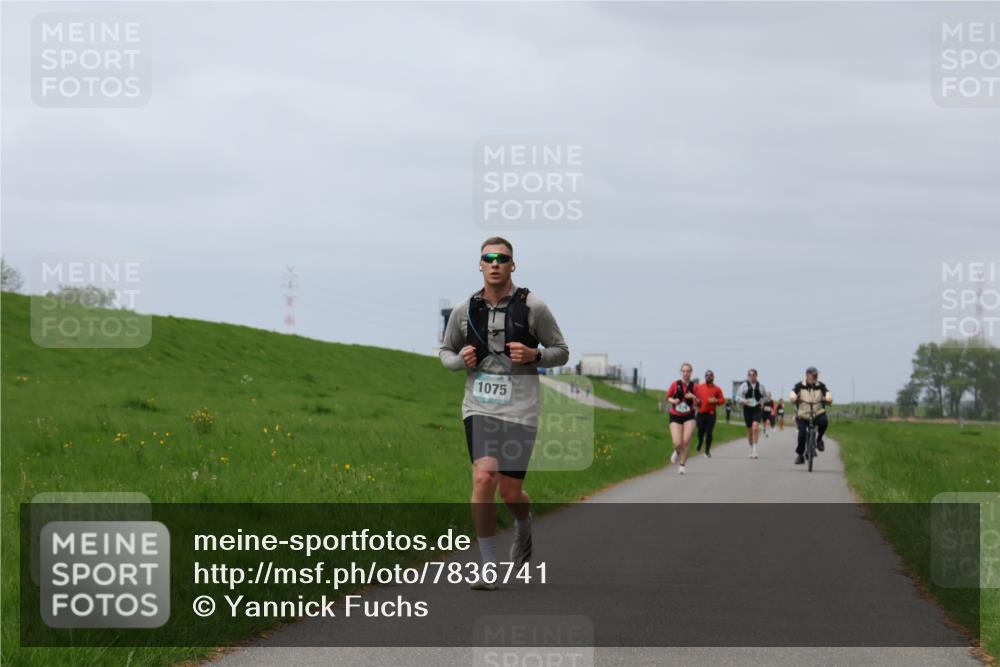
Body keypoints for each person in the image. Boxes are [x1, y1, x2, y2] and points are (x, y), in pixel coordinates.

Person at [439, 237, 570, 589]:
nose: (495, 263)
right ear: (479, 265)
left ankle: (523, 524)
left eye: (503, 258)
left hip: (521, 407)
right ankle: (488, 566)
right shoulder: (464, 311)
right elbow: (445, 352)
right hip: (479, 405)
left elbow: (561, 350)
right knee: (484, 478)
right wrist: (458, 361)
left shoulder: (534, 308)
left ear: (513, 265)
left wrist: (535, 356)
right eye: (488, 258)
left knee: (511, 493)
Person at [790, 366, 833, 465]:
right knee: (801, 435)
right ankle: (800, 455)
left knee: (824, 422)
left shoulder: (821, 385)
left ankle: (819, 439)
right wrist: (793, 397)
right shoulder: (800, 385)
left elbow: (827, 393)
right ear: (807, 375)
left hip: (817, 412)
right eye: (813, 375)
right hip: (804, 415)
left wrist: (828, 398)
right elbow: (793, 392)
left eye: (816, 375)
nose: (815, 377)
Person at [666, 362, 699, 474]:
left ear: (691, 373)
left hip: (689, 416)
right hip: (675, 415)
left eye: (688, 371)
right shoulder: (675, 384)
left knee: (686, 440)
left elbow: (699, 402)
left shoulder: (694, 387)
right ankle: (677, 451)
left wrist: (693, 397)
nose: (685, 373)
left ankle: (682, 465)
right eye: (683, 371)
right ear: (681, 372)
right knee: (677, 442)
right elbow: (668, 397)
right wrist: (673, 401)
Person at [736, 369, 767, 459]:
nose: (751, 376)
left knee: (755, 427)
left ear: (756, 376)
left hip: (757, 408)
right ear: (748, 376)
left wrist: (762, 402)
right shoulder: (744, 386)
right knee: (750, 430)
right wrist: (743, 401)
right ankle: (751, 447)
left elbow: (765, 397)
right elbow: (737, 397)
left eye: (753, 375)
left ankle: (755, 450)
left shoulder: (761, 386)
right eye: (750, 375)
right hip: (747, 409)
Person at [694, 369, 725, 458]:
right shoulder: (699, 387)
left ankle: (707, 451)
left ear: (713, 377)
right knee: (700, 432)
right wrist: (696, 402)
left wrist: (716, 400)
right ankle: (700, 442)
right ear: (705, 377)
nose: (709, 377)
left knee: (709, 432)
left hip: (711, 414)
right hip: (700, 413)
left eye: (710, 375)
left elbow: (722, 400)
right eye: (707, 375)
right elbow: (695, 398)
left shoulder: (717, 389)